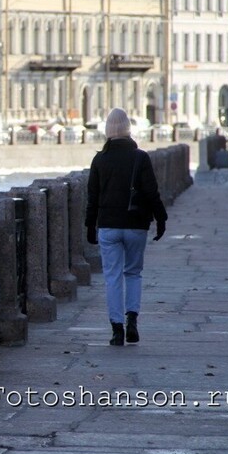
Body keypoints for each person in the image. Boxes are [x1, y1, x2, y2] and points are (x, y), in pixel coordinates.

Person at [85, 108, 168, 346]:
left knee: (112, 277)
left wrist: (90, 226)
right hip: (136, 225)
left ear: (108, 130)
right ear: (128, 129)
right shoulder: (140, 157)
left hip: (109, 227)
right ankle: (132, 321)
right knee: (133, 273)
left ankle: (116, 330)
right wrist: (161, 218)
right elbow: (152, 191)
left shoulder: (99, 159)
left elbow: (93, 197)